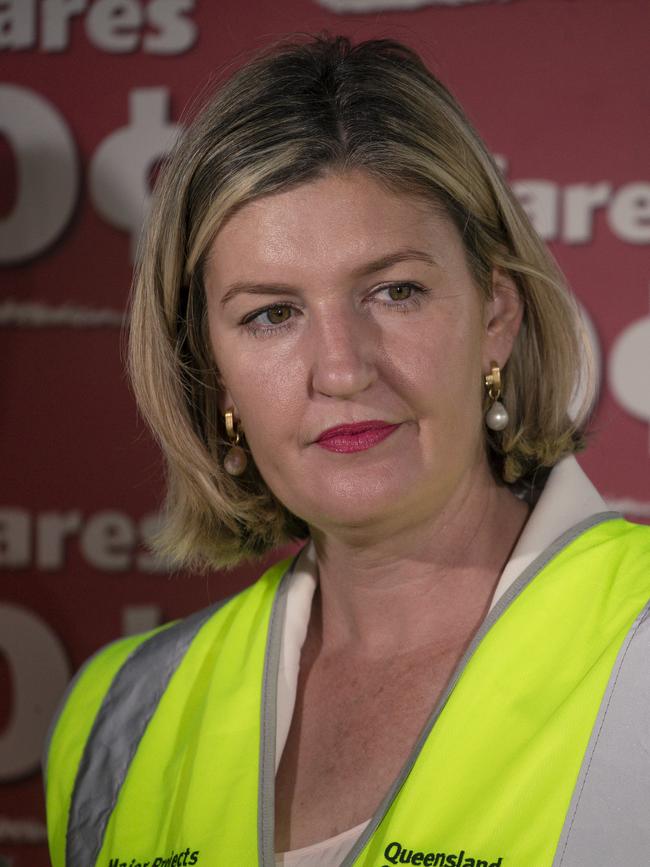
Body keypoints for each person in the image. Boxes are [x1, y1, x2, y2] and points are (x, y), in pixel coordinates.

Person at [45, 35, 650, 867]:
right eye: (271, 314)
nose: (340, 368)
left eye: (395, 291)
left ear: (496, 316)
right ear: (214, 374)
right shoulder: (117, 712)